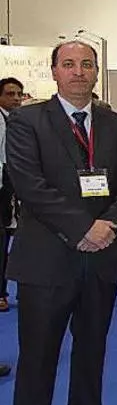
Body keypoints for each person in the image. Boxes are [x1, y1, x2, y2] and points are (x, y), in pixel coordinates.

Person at [6, 40, 117, 405]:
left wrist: (108, 225)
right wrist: (84, 228)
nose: (78, 72)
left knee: (91, 356)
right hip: (46, 263)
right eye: (69, 64)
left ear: (96, 72)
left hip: (101, 261)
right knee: (37, 361)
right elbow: (29, 186)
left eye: (86, 64)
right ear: (54, 71)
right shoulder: (27, 121)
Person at [0, 76, 23, 313]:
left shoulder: (19, 120)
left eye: (18, 94)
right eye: (10, 94)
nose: (16, 98)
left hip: (15, 189)